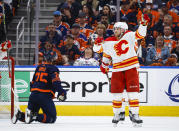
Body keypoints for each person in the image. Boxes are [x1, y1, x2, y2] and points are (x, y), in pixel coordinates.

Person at [93, 14, 150, 126]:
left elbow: (141, 34)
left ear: (123, 30)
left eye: (117, 28)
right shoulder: (109, 41)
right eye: (114, 28)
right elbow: (99, 50)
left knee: (133, 93)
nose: (115, 30)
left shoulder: (130, 35)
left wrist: (143, 24)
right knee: (117, 94)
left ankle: (135, 114)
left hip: (131, 67)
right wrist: (97, 44)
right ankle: (117, 114)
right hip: (117, 70)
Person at [12, 52, 67, 124]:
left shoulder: (39, 67)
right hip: (44, 95)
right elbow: (56, 82)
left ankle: (19, 115)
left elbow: (32, 83)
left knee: (29, 116)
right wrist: (62, 92)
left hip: (33, 95)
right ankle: (34, 116)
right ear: (54, 59)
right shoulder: (53, 68)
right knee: (51, 117)